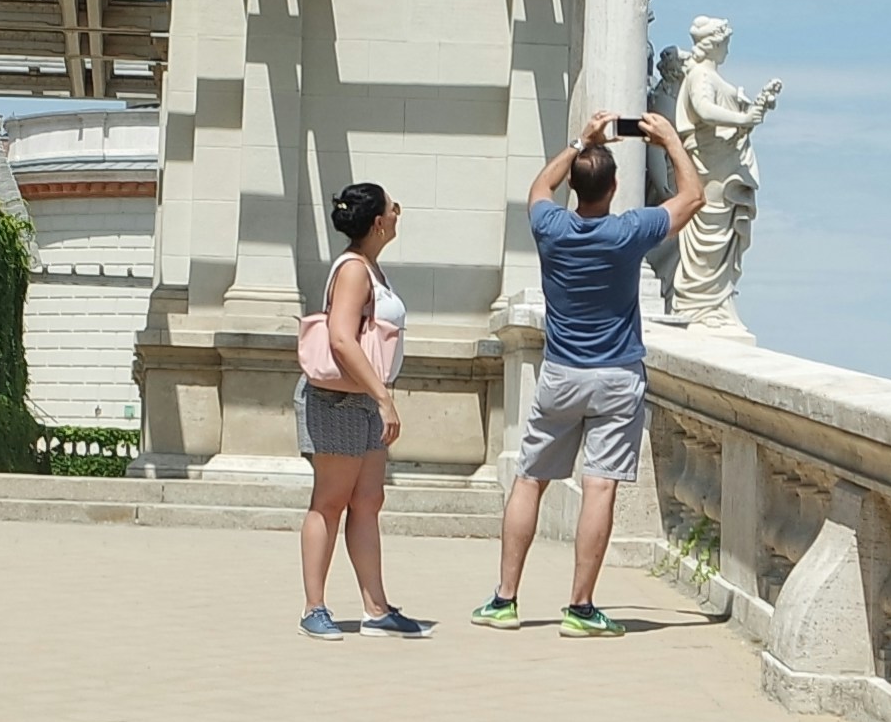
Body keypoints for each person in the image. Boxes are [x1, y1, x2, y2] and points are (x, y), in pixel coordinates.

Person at [481, 110, 704, 635]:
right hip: (618, 375)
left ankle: (505, 600)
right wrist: (670, 140)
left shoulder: (551, 227)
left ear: (577, 187)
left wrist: (578, 141)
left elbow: (540, 185)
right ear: (615, 186)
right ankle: (580, 608)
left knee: (531, 480)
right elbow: (692, 197)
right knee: (599, 487)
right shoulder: (628, 232)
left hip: (562, 372)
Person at [297, 182, 428, 638]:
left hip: (365, 398)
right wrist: (383, 397)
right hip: (341, 399)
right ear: (377, 222)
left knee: (368, 501)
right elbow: (340, 338)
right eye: (393, 207)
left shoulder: (370, 267)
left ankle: (376, 607)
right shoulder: (354, 269)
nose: (398, 212)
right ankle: (314, 607)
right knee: (329, 503)